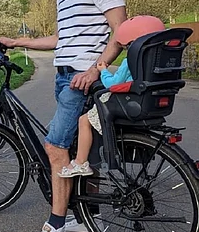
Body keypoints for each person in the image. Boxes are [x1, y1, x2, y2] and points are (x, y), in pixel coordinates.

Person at [0, 0, 127, 232]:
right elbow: (61, 39)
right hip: (64, 76)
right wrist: (17, 42)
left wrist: (96, 69)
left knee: (55, 147)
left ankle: (55, 228)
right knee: (80, 148)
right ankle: (87, 217)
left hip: (81, 79)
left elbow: (121, 31)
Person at [59, 16, 165, 178]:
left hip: (127, 101)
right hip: (150, 101)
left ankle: (80, 163)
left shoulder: (132, 59)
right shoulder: (158, 59)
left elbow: (113, 83)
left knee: (84, 120)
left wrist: (102, 70)